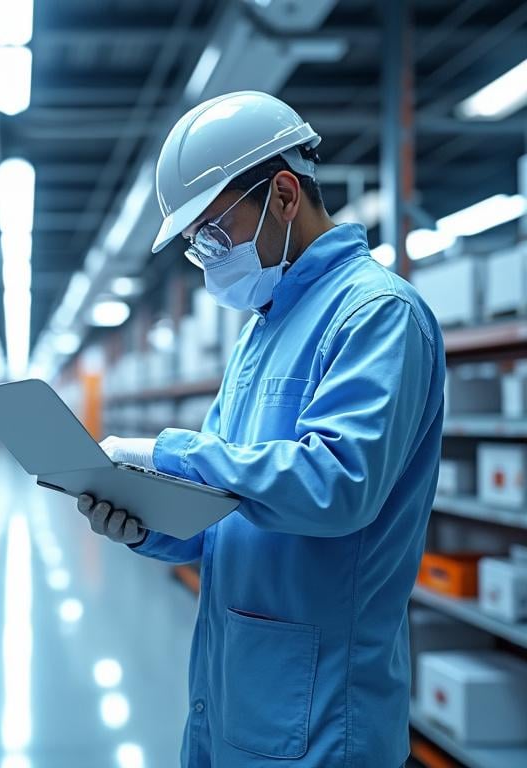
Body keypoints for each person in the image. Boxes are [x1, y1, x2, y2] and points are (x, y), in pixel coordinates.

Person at [78, 91, 444, 767]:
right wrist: (149, 522)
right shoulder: (260, 334)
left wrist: (170, 452)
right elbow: (228, 510)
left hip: (323, 715)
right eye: (195, 247)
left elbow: (338, 485)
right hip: (230, 697)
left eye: (212, 235)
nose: (208, 258)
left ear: (282, 194)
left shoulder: (377, 315)